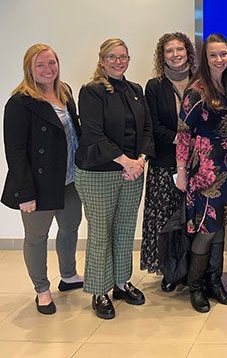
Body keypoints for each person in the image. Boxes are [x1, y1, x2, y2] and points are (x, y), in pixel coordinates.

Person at [1, 44, 84, 315]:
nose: (48, 69)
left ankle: (68, 275)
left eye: (51, 63)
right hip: (38, 184)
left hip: (70, 179)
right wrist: (25, 193)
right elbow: (15, 152)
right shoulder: (19, 102)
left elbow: (75, 134)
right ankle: (42, 289)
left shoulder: (65, 92)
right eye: (40, 65)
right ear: (29, 69)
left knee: (70, 227)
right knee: (37, 237)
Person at [76, 38, 153, 319]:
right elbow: (93, 134)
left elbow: (147, 128)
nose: (119, 62)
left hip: (133, 172)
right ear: (102, 60)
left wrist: (141, 160)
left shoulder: (135, 90)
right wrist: (126, 162)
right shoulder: (92, 91)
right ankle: (99, 291)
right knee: (101, 233)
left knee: (124, 229)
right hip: (99, 173)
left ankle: (121, 282)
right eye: (112, 57)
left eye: (123, 57)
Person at [175, 33, 227, 312]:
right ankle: (196, 287)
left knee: (219, 227)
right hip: (204, 168)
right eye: (213, 55)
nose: (219, 59)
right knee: (205, 229)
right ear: (205, 58)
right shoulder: (197, 90)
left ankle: (215, 282)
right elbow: (183, 133)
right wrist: (181, 172)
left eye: (223, 54)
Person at [141, 32, 196, 291]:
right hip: (165, 163)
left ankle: (193, 269)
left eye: (179, 49)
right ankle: (170, 271)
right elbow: (152, 125)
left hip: (198, 162)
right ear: (162, 56)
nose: (175, 55)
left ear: (188, 52)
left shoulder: (200, 82)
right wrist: (180, 141)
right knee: (166, 219)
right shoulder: (154, 86)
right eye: (169, 51)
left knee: (192, 218)